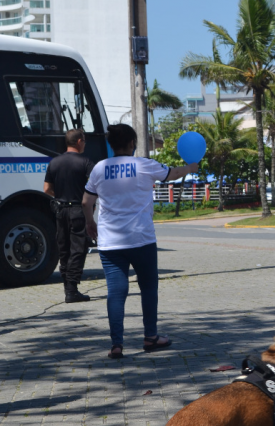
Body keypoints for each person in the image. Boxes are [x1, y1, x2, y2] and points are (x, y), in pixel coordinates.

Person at [82, 124, 199, 359]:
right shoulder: (144, 165)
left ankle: (116, 344)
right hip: (141, 239)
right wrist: (190, 167)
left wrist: (90, 223)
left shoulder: (99, 168)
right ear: (132, 143)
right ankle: (150, 337)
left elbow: (86, 202)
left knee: (116, 292)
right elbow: (172, 174)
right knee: (148, 288)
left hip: (110, 243)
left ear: (111, 145)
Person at [44, 128, 94, 302]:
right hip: (78, 210)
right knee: (78, 249)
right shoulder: (85, 162)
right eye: (84, 141)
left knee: (64, 249)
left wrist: (60, 195)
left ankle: (68, 288)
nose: (85, 144)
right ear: (79, 141)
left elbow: (46, 189)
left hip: (60, 210)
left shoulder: (54, 162)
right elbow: (96, 185)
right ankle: (72, 290)